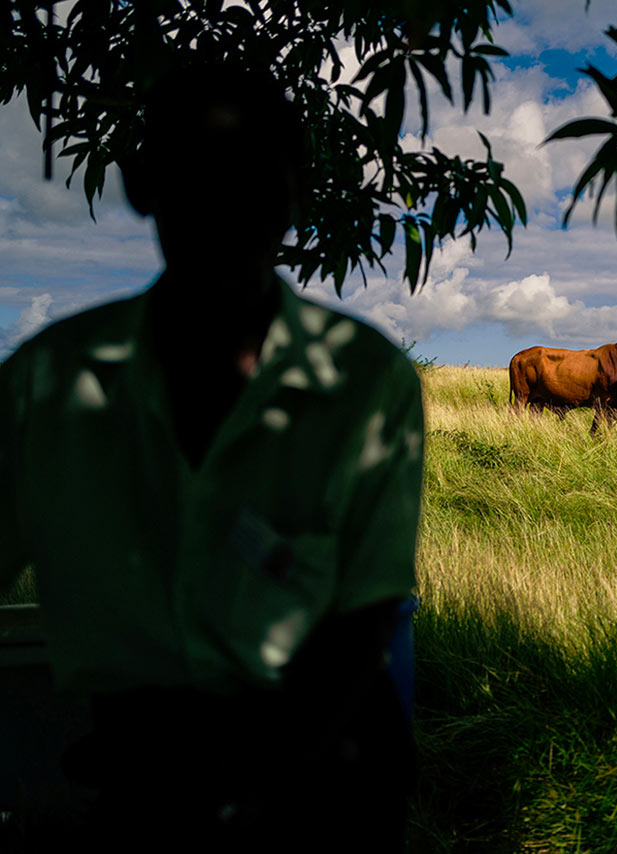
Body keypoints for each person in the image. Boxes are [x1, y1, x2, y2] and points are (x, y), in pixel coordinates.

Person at [0, 65, 424, 849]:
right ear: (143, 186)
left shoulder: (366, 384)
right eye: (198, 178)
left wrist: (254, 791)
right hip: (138, 779)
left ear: (299, 190)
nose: (228, 210)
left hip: (325, 774)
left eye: (255, 180)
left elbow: (366, 626)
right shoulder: (43, 390)